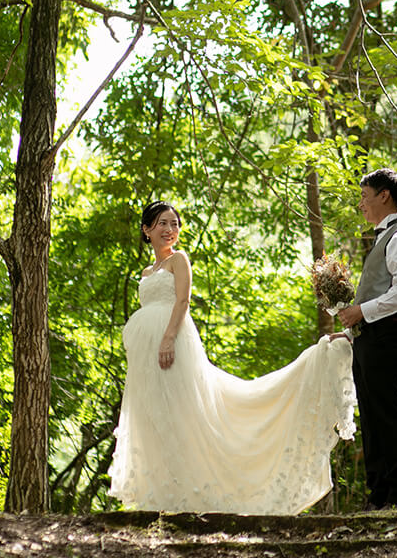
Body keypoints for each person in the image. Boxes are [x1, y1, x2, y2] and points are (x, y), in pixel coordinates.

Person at [108, 201, 356, 515]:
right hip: (146, 354)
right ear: (147, 230)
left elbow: (182, 300)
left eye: (174, 224)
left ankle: (195, 491)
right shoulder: (146, 272)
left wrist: (168, 337)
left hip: (173, 343)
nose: (170, 230)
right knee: (156, 414)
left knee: (182, 413)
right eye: (162, 224)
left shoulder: (178, 260)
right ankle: (165, 495)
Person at [336, 169, 397, 509]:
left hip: (387, 336)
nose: (361, 204)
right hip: (369, 337)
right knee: (371, 418)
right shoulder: (381, 239)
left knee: (387, 413)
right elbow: (378, 291)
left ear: (384, 196)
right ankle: (380, 497)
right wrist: (347, 330)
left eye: (365, 197)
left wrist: (361, 312)